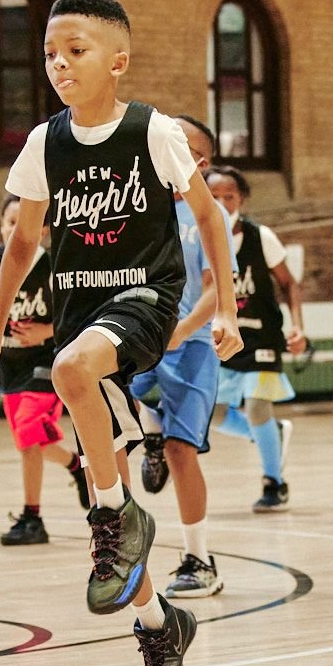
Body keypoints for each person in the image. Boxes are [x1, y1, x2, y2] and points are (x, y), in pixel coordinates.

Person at [0, 0, 241, 666]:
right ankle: (159, 629)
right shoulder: (43, 143)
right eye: (50, 52)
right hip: (83, 327)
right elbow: (22, 246)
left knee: (70, 373)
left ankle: (119, 513)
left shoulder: (152, 133)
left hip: (144, 304)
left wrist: (230, 307)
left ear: (117, 60)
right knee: (103, 521)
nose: (59, 63)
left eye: (75, 49)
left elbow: (208, 217)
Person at [126, 117, 235, 600]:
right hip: (141, 337)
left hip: (188, 348)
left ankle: (200, 558)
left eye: (180, 145)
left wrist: (183, 330)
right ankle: (149, 428)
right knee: (121, 404)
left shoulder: (208, 216)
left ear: (199, 162)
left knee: (181, 450)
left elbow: (216, 293)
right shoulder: (134, 209)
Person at [0, 196, 82, 546]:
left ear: (43, 229)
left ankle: (32, 516)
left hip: (45, 361)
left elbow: (75, 314)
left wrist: (46, 331)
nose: (15, 229)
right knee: (28, 440)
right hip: (7, 363)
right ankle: (74, 466)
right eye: (9, 222)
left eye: (22, 222)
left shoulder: (56, 265)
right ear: (1, 225)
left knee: (29, 430)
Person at [206, 166, 307, 514]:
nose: (221, 202)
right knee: (212, 415)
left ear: (241, 199)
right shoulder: (196, 238)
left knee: (257, 406)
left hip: (262, 335)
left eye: (228, 196)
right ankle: (269, 436)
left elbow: (289, 283)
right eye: (214, 196)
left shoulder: (260, 236)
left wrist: (298, 327)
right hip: (222, 340)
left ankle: (273, 483)